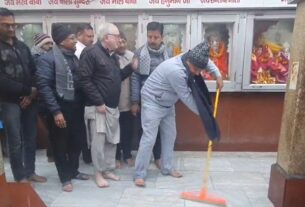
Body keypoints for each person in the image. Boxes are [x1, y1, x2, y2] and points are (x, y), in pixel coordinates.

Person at [134, 41, 223, 187]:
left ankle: (167, 168)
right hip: (152, 101)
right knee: (149, 138)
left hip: (168, 102)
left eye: (199, 70)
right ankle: (139, 174)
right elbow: (187, 97)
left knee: (170, 135)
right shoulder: (175, 71)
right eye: (195, 69)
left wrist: (218, 75)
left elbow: (208, 63)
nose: (196, 73)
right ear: (189, 61)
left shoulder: (192, 57)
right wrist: (205, 116)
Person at [78, 23, 137, 188]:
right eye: (116, 36)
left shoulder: (112, 56)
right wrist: (98, 101)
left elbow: (117, 77)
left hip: (112, 107)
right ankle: (98, 173)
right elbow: (85, 80)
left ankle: (108, 170)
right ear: (106, 38)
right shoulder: (90, 53)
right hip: (98, 107)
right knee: (98, 142)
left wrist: (131, 68)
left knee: (112, 141)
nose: (119, 39)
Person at [36, 23, 89, 192]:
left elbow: (79, 80)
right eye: (71, 38)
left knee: (77, 140)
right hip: (59, 108)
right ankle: (65, 177)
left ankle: (73, 171)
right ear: (61, 42)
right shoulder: (48, 59)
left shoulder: (74, 57)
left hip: (76, 107)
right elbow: (44, 86)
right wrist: (56, 111)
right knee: (60, 144)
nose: (75, 41)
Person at [0, 7, 46, 183]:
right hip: (8, 102)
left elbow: (34, 71)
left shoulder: (22, 46)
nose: (11, 29)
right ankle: (20, 177)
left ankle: (30, 172)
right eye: (6, 26)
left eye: (13, 25)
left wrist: (32, 93)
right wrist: (27, 91)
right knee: (15, 141)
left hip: (30, 99)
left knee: (30, 138)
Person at [131, 21, 172, 169]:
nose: (152, 40)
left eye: (156, 37)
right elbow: (135, 78)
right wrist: (135, 101)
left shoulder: (169, 53)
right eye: (150, 37)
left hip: (165, 98)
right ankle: (144, 160)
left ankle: (158, 157)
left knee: (162, 130)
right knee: (146, 131)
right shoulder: (139, 53)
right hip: (146, 98)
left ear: (162, 37)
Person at [31, 33, 54, 163]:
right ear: (40, 44)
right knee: (46, 128)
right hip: (40, 98)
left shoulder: (48, 56)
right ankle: (51, 154)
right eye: (47, 43)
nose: (50, 46)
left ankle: (51, 153)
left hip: (45, 96)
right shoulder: (36, 57)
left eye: (51, 43)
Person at [75, 24, 94, 164]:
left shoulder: (88, 50)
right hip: (79, 94)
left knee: (86, 126)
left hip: (87, 93)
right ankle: (86, 154)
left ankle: (88, 153)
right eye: (89, 36)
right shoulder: (78, 51)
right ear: (79, 35)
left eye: (93, 36)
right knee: (82, 126)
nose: (92, 39)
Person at [115, 31, 134, 168]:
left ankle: (127, 155)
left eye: (123, 41)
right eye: (119, 42)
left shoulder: (133, 56)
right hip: (114, 102)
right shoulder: (109, 57)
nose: (121, 45)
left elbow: (136, 80)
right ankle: (116, 157)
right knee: (115, 131)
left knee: (128, 130)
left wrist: (135, 102)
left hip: (129, 102)